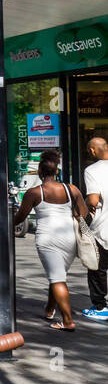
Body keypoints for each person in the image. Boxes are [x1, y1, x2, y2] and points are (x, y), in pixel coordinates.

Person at [13, 150, 91, 331]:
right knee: (57, 274)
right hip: (69, 238)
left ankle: (67, 320)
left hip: (48, 239)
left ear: (40, 171)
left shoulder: (34, 192)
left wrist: (4, 226)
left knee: (57, 278)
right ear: (56, 171)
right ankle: (49, 308)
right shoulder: (71, 189)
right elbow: (84, 214)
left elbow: (20, 217)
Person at [84, 137, 108, 321]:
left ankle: (100, 306)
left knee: (97, 268)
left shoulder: (92, 170)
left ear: (93, 151)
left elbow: (93, 201)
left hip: (103, 228)